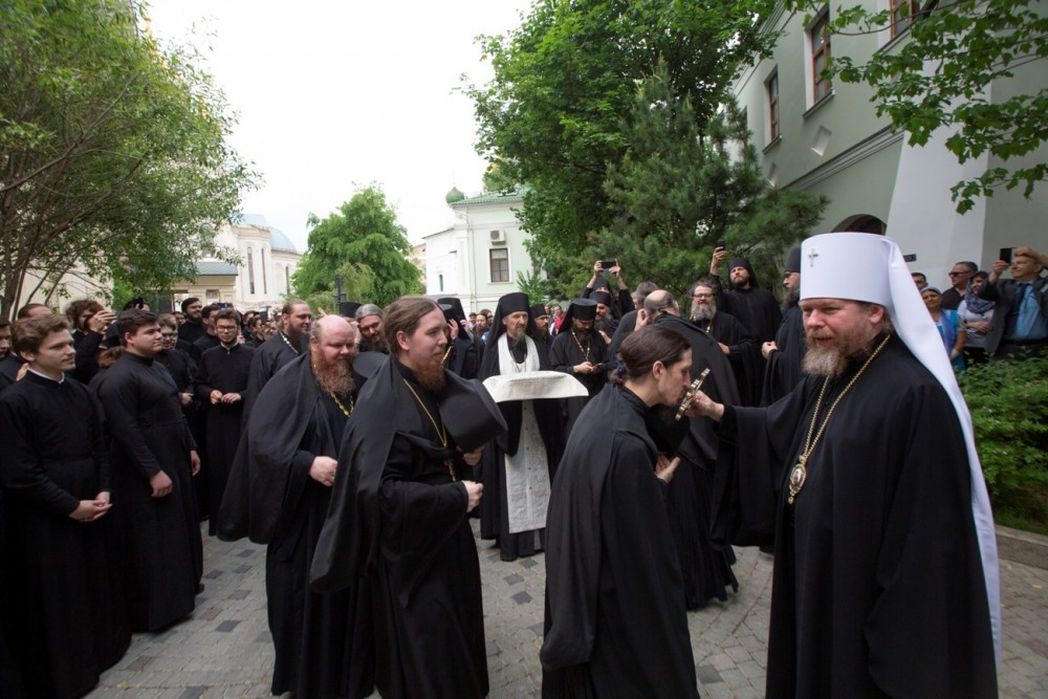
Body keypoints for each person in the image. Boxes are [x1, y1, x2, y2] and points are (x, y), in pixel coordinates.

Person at [692, 232, 999, 697]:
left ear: (875, 311)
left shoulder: (913, 395)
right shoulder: (832, 369)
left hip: (860, 589)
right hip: (814, 570)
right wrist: (718, 412)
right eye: (807, 310)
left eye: (829, 310)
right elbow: (778, 425)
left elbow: (929, 537)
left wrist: (893, 634)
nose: (813, 322)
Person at [311, 297, 490, 699]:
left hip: (445, 538)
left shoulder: (425, 377)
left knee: (457, 644)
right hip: (412, 560)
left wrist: (462, 457)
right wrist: (454, 495)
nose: (444, 339)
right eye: (433, 332)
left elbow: (426, 450)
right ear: (403, 339)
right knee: (430, 661)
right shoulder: (381, 402)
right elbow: (377, 492)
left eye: (444, 330)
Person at [541, 325, 698, 698]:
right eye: (684, 371)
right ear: (657, 369)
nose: (688, 382)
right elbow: (640, 555)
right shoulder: (625, 444)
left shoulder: (609, 400)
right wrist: (657, 489)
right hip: (611, 608)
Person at [219, 315, 371, 698]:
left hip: (348, 512)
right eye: (337, 345)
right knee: (305, 602)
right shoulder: (287, 383)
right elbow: (262, 443)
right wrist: (306, 464)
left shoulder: (355, 378)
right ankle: (308, 679)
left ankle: (352, 672)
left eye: (350, 345)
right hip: (305, 519)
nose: (346, 352)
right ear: (314, 345)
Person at [0, 315, 130, 698]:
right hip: (47, 517)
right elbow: (19, 472)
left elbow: (99, 447)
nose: (70, 351)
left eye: (69, 344)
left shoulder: (80, 391)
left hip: (93, 502)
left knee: (95, 582)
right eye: (58, 347)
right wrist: (71, 506)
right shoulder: (14, 401)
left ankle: (102, 652)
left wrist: (104, 489)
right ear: (28, 353)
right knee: (60, 594)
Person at [96, 309, 203, 631]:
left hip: (174, 457)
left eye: (159, 330)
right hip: (147, 470)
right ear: (129, 338)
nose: (159, 336)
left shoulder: (156, 367)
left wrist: (190, 446)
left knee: (177, 530)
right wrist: (152, 471)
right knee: (155, 537)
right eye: (151, 332)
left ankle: (182, 593)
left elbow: (174, 412)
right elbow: (125, 431)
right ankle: (159, 608)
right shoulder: (118, 378)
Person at [645, 290, 740, 608]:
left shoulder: (651, 339)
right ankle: (706, 579)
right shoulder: (701, 336)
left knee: (679, 519)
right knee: (698, 513)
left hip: (669, 440)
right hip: (704, 436)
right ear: (675, 307)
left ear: (649, 313)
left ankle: (686, 587)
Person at [477, 292, 564, 562]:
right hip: (508, 426)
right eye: (516, 316)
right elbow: (486, 389)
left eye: (524, 316)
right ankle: (514, 542)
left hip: (536, 423)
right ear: (504, 320)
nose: (522, 321)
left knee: (540, 478)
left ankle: (541, 535)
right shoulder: (494, 350)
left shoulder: (537, 346)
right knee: (512, 480)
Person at [194, 308, 254, 535]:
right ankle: (221, 522)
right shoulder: (208, 356)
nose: (226, 332)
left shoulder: (252, 354)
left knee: (242, 469)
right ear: (215, 329)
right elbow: (198, 384)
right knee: (218, 471)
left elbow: (260, 386)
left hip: (242, 420)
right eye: (221, 328)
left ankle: (245, 521)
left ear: (238, 329)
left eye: (230, 328)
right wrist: (210, 392)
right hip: (217, 421)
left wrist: (241, 395)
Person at [689, 278, 758, 404]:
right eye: (699, 295)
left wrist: (730, 350)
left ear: (713, 298)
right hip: (696, 386)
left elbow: (751, 345)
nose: (703, 298)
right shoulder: (686, 325)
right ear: (693, 298)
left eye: (707, 295)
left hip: (725, 385)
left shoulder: (729, 321)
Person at [549, 298, 608, 437]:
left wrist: (600, 367)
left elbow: (608, 362)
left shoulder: (597, 338)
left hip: (596, 395)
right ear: (573, 320)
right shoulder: (561, 340)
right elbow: (554, 370)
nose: (587, 327)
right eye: (583, 323)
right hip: (572, 399)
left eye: (590, 323)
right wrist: (575, 369)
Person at [243, 300, 312, 417]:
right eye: (302, 317)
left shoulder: (312, 345)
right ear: (285, 318)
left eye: (309, 317)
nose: (307, 321)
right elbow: (256, 393)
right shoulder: (266, 351)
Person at [979, 245, 1048, 358]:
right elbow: (983, 293)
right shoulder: (1004, 285)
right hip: (1006, 348)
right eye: (1013, 264)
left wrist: (1035, 254)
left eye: (1021, 263)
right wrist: (995, 273)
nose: (1014, 266)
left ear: (1037, 267)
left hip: (1040, 347)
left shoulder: (1045, 285)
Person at [762, 246, 806, 405]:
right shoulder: (793, 310)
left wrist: (772, 354)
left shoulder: (801, 314)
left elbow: (796, 367)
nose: (784, 282)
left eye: (788, 276)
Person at [65, 298, 114, 383]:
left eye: (95, 316)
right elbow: (79, 363)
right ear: (75, 319)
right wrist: (94, 331)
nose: (93, 320)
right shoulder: (71, 339)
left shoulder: (110, 334)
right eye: (86, 317)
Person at [922, 287, 965, 371]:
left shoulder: (956, 315)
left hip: (953, 360)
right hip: (929, 362)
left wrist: (948, 359)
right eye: (925, 298)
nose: (930, 299)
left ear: (941, 298)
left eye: (933, 296)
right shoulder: (918, 320)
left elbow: (961, 341)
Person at [957, 271, 995, 365]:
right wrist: (972, 324)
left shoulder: (998, 301)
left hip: (993, 345)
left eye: (979, 281)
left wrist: (992, 325)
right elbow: (957, 323)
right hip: (969, 345)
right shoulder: (965, 303)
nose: (975, 285)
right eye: (972, 283)